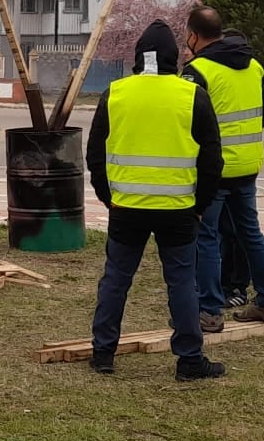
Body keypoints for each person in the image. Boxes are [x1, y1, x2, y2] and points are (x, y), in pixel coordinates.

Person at [84, 20, 225, 380]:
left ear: (137, 57)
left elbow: (95, 152)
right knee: (182, 283)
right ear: (173, 58)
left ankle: (103, 353)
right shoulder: (192, 94)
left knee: (116, 279)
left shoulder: (115, 93)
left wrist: (107, 196)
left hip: (126, 207)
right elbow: (212, 159)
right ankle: (190, 360)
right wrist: (199, 205)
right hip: (178, 211)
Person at [182, 5, 264, 331]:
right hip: (249, 164)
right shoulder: (253, 66)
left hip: (215, 170)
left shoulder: (198, 70)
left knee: (206, 237)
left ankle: (210, 310)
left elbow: (188, 124)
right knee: (250, 232)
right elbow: (262, 117)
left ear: (193, 36)